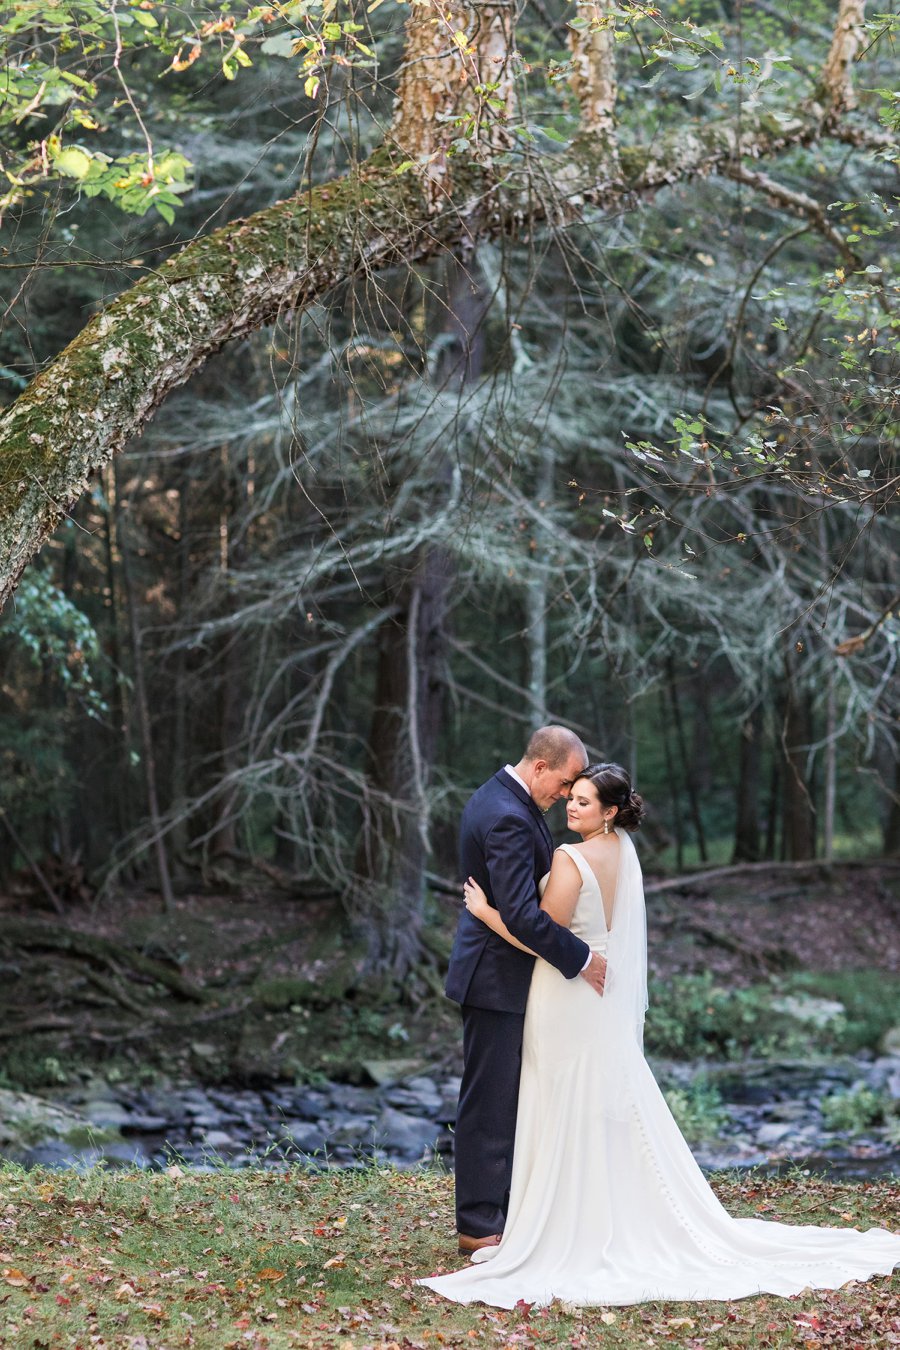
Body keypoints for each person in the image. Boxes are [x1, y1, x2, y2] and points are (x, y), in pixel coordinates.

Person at [422, 763, 900, 1306]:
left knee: (559, 1099)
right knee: (594, 1098)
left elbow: (538, 935)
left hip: (566, 995)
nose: (571, 807)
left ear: (608, 812)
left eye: (582, 801)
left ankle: (564, 1217)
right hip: (595, 1001)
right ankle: (591, 1208)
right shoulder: (623, 851)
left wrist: (486, 913)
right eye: (570, 797)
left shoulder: (568, 857)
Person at [446, 727, 608, 1257]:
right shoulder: (509, 816)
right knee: (489, 1103)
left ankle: (505, 1210)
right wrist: (582, 959)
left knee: (506, 1098)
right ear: (540, 767)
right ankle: (477, 1225)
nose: (564, 795)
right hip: (496, 978)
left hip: (504, 973)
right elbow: (520, 914)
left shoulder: (501, 795)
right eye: (563, 784)